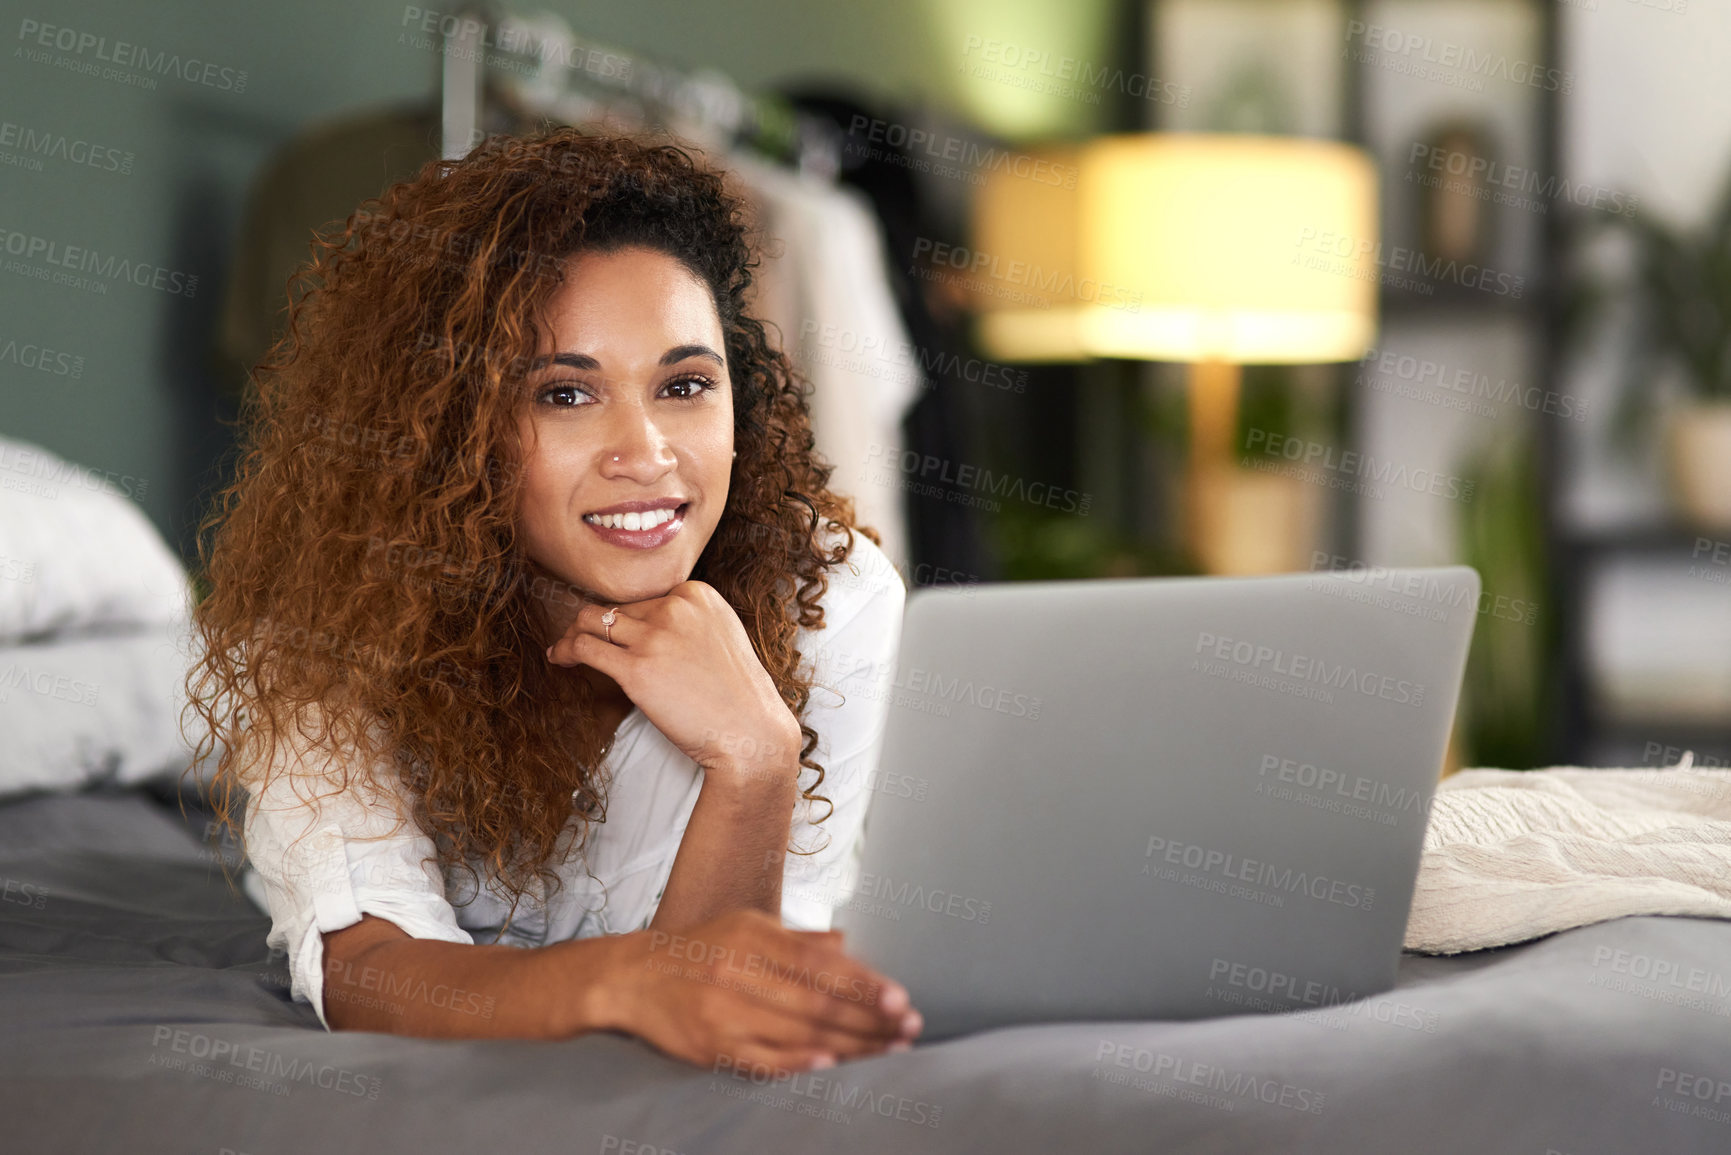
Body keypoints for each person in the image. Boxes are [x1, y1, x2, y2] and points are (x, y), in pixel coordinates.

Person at [184, 127, 922, 1074]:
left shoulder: (829, 597)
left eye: (686, 384)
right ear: (454, 429)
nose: (648, 453)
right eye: (565, 396)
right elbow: (370, 965)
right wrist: (620, 981)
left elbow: (731, 999)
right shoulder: (336, 611)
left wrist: (758, 758)